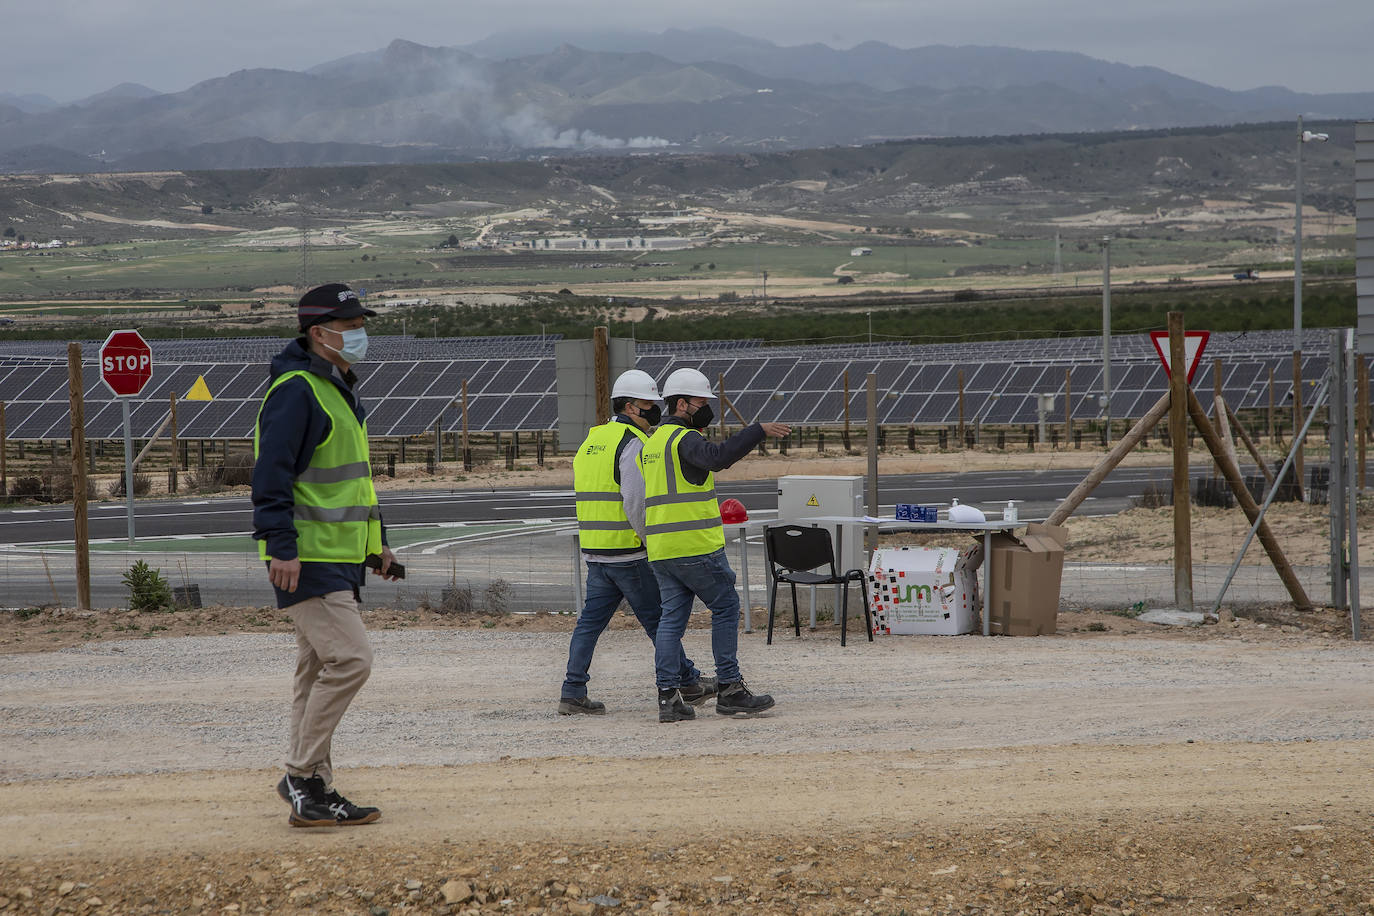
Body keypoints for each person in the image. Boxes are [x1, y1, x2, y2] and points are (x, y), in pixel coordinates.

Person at [252, 282, 399, 828]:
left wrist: (377, 543)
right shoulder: (297, 390)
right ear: (319, 332)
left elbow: (352, 485)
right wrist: (280, 547)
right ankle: (301, 775)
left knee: (314, 673)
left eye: (362, 323)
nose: (360, 333)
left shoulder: (335, 388)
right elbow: (272, 475)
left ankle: (313, 791)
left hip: (335, 556)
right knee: (352, 660)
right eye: (351, 324)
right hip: (306, 558)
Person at [560, 369, 716, 716]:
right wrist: (653, 541)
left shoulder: (592, 441)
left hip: (597, 551)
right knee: (660, 622)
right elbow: (635, 501)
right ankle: (688, 683)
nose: (653, 411)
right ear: (631, 406)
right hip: (629, 552)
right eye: (648, 404)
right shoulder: (631, 444)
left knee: (589, 624)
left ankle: (572, 691)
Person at [640, 368, 791, 722]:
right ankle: (730, 689)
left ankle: (669, 698)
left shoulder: (651, 444)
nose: (706, 408)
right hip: (695, 546)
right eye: (701, 403)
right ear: (681, 404)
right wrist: (757, 430)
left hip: (662, 548)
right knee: (725, 607)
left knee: (671, 621)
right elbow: (717, 457)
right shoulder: (683, 439)